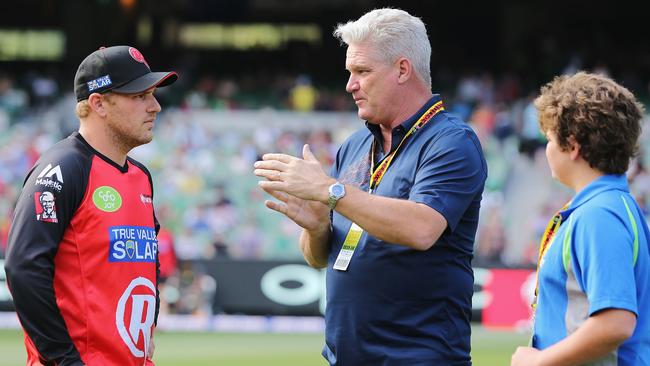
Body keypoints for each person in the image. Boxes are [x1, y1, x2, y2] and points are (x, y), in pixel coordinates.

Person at [254, 8, 487, 365]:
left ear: (402, 70)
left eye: (362, 71)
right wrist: (316, 227)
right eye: (350, 72)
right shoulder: (354, 147)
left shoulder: (451, 141)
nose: (350, 84)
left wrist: (332, 192)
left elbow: (422, 228)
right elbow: (318, 258)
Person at [4, 45, 177, 365]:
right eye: (139, 96)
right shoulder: (64, 168)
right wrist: (65, 359)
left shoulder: (141, 177)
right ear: (98, 103)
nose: (155, 107)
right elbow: (23, 268)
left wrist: (148, 325)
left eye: (152, 95)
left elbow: (146, 262)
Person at [511, 72, 650, 365]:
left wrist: (539, 361)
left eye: (549, 138)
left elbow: (616, 322)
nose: (546, 148)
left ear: (572, 146)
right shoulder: (611, 206)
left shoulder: (599, 215)